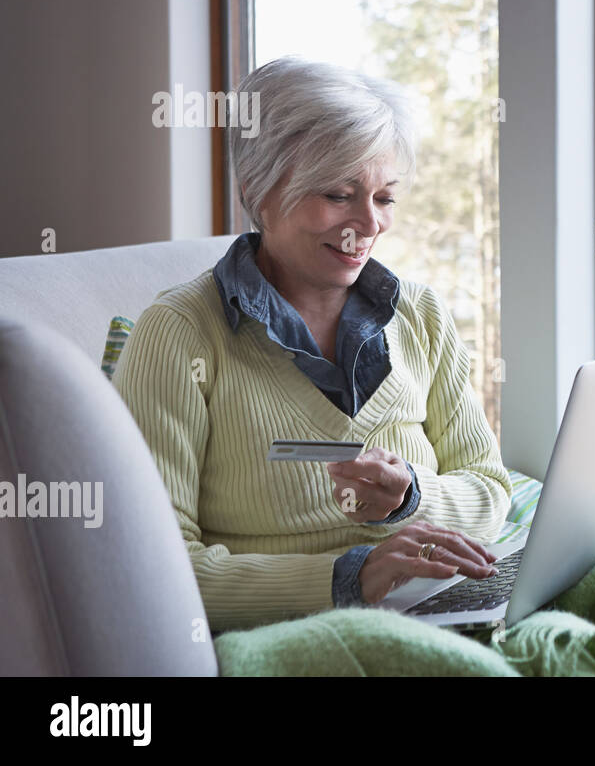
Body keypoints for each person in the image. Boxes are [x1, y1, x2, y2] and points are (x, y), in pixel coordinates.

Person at [113, 57, 509, 633]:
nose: (368, 224)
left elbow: (491, 489)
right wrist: (348, 578)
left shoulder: (421, 314)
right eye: (337, 194)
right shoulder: (178, 334)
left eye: (385, 198)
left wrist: (410, 502)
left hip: (441, 601)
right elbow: (153, 568)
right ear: (258, 191)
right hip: (301, 633)